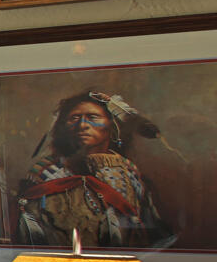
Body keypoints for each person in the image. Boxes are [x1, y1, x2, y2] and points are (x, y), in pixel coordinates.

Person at [13, 90, 174, 248]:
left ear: (112, 126)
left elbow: (149, 229)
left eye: (93, 117)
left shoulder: (129, 172)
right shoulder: (45, 172)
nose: (82, 125)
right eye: (74, 118)